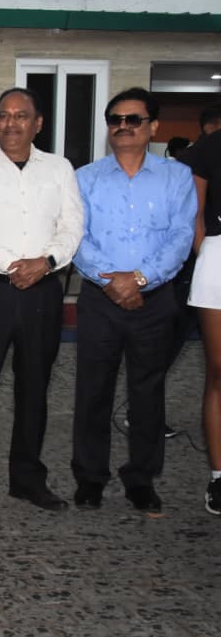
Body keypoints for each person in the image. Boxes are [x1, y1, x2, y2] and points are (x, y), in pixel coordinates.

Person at [0, 87, 84, 512]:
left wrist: (47, 261)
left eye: (21, 116)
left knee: (35, 388)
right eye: (3, 115)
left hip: (43, 290)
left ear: (37, 123)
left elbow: (72, 226)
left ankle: (27, 480)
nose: (11, 123)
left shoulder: (59, 169)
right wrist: (12, 265)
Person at [71, 87, 196, 513]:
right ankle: (89, 477)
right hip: (99, 298)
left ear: (153, 127)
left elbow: (181, 237)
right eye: (115, 120)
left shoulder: (176, 177)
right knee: (92, 391)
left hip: (154, 300)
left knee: (148, 392)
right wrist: (113, 282)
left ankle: (141, 479)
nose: (123, 126)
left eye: (133, 119)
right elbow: (77, 238)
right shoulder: (85, 178)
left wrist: (139, 279)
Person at [183, 101, 221, 513]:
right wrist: (206, 255)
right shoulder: (211, 146)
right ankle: (219, 475)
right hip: (218, 254)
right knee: (219, 370)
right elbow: (194, 212)